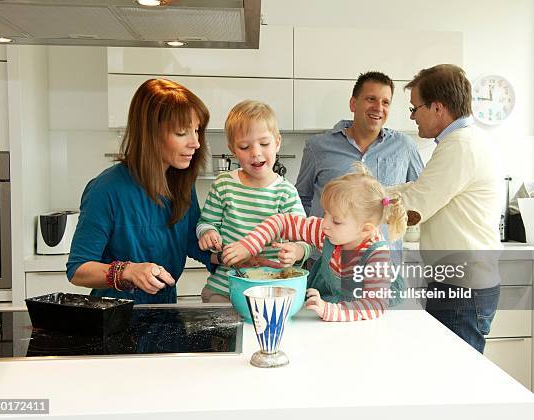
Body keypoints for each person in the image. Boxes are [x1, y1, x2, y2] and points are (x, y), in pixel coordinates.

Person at [66, 78, 217, 304]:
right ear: (151, 133)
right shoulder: (106, 189)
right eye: (181, 133)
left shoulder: (181, 184)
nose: (195, 143)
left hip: (164, 313)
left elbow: (192, 242)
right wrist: (127, 271)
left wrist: (233, 255)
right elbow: (78, 269)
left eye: (196, 131)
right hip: (116, 315)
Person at [396, 64, 502, 353]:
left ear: (438, 108)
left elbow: (415, 208)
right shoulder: (463, 141)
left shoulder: (460, 146)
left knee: (457, 382)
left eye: (415, 108)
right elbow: (419, 190)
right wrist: (377, 192)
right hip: (462, 285)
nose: (413, 116)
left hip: (462, 290)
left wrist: (357, 207)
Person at [222, 163, 407, 321]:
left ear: (365, 229)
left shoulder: (377, 255)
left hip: (363, 319)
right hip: (327, 308)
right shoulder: (326, 231)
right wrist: (249, 245)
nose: (324, 224)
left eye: (336, 220)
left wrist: (329, 311)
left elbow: (374, 305)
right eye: (325, 213)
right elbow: (281, 222)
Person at [295, 71, 424, 266]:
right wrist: (304, 245)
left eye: (385, 102)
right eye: (371, 99)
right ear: (353, 104)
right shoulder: (318, 146)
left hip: (381, 263)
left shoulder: (405, 147)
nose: (378, 108)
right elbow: (301, 200)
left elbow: (420, 195)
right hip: (324, 262)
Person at [196, 100, 311, 303]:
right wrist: (208, 233)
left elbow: (305, 239)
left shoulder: (286, 193)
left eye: (264, 144)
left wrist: (297, 251)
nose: (256, 152)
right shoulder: (224, 185)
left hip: (270, 291)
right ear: (232, 149)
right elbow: (206, 223)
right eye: (244, 146)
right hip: (225, 288)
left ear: (277, 142)